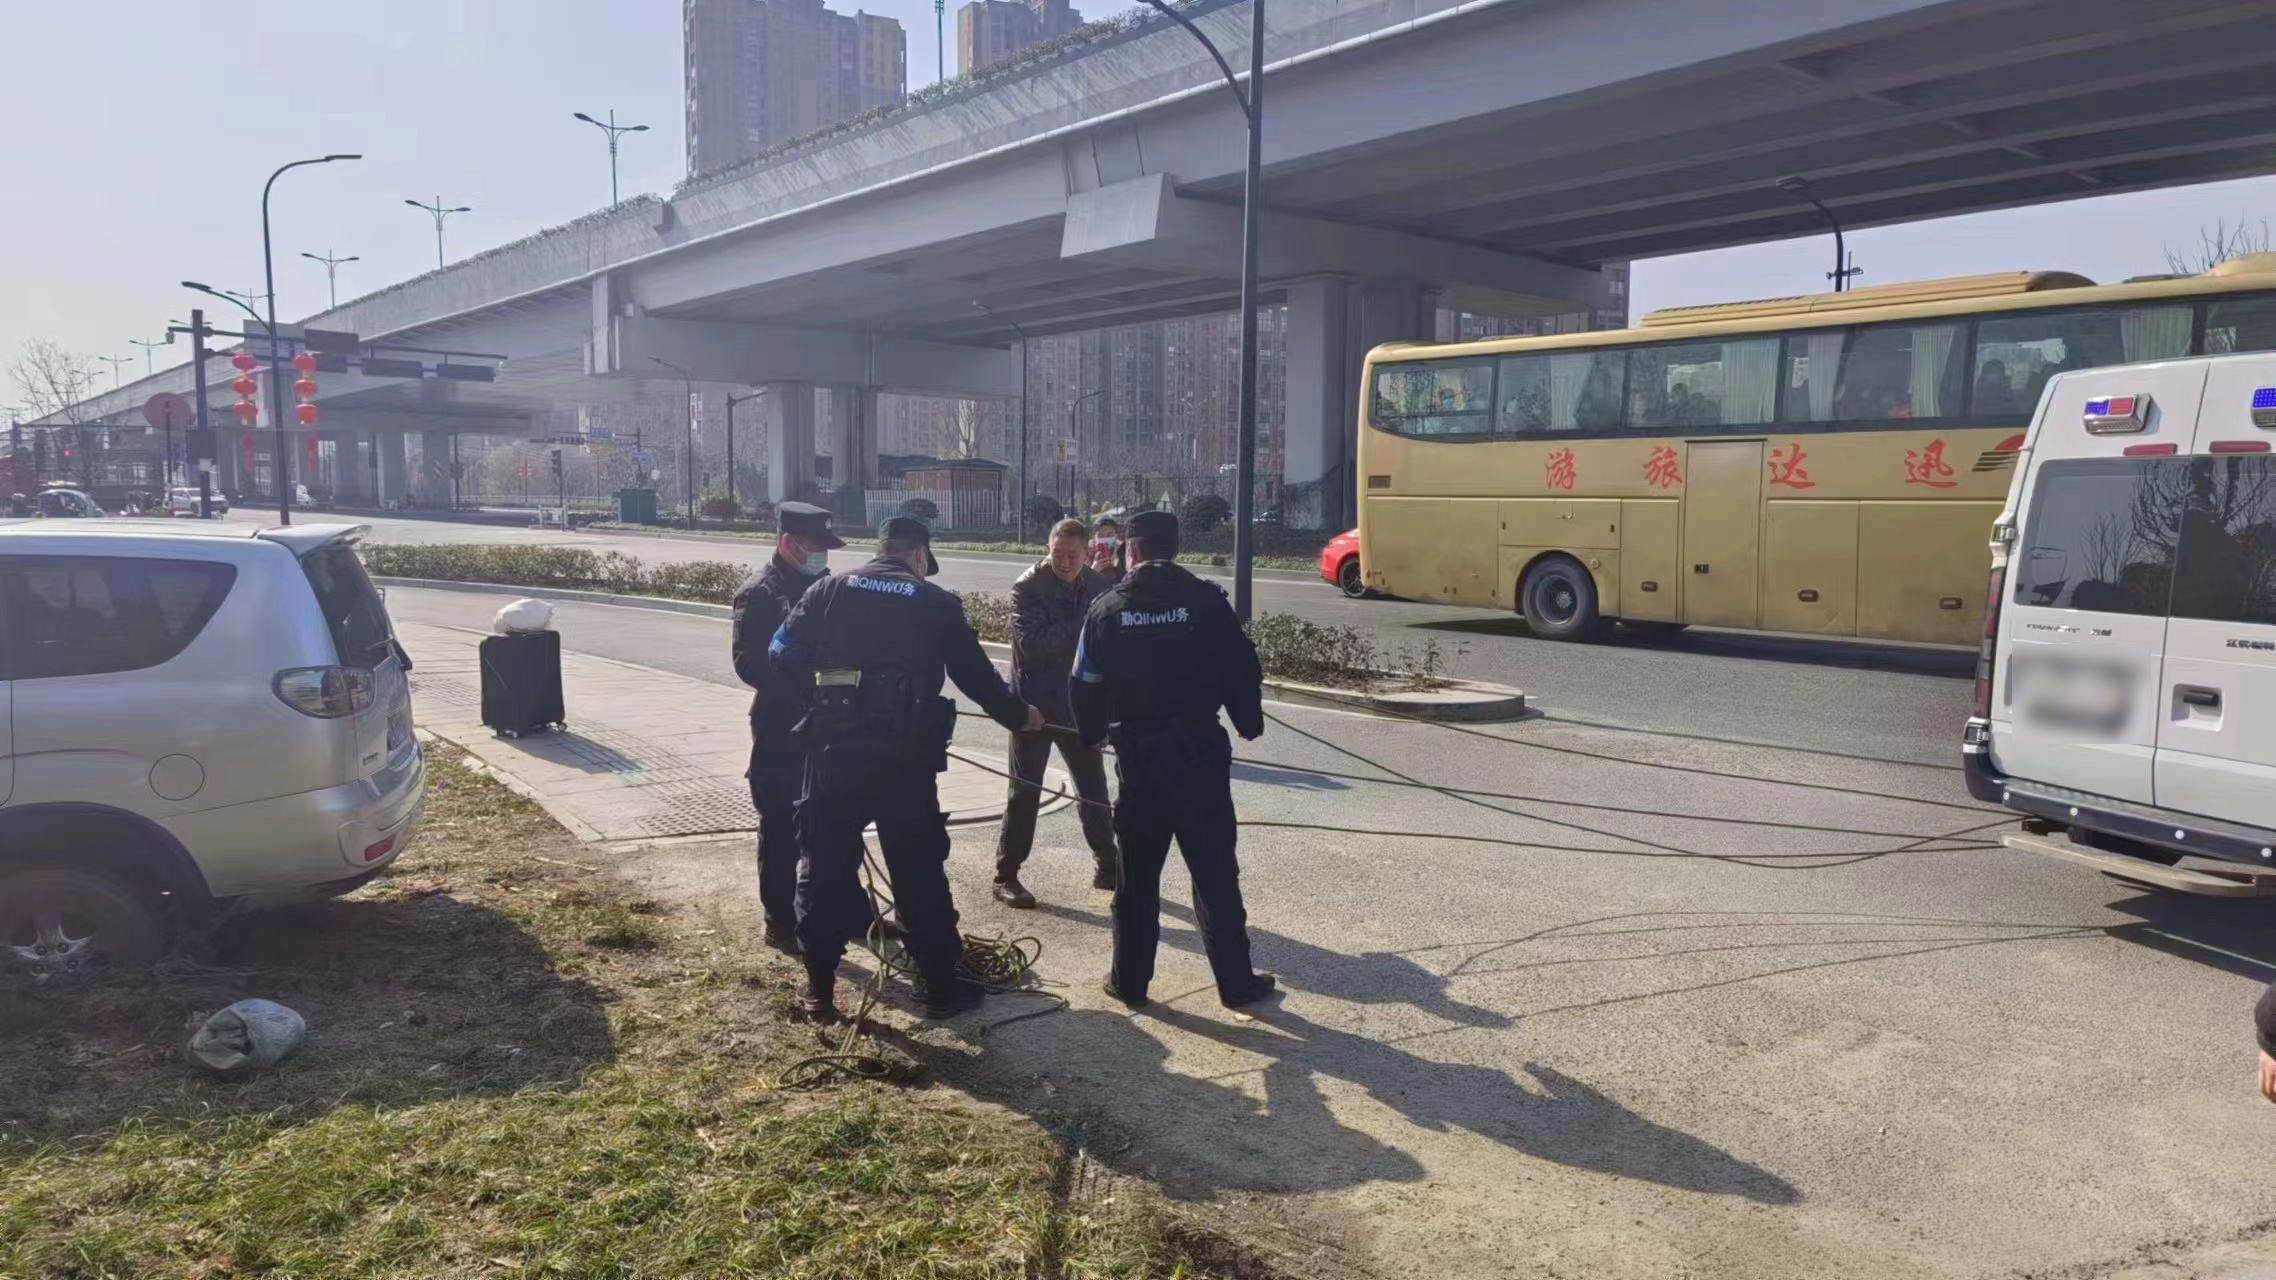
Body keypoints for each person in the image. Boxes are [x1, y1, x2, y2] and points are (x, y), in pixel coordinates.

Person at [770, 516, 1043, 1020]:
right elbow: (977, 677)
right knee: (918, 872)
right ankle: (938, 989)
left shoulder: (829, 590)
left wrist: (828, 692)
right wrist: (1021, 715)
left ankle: (820, 991)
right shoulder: (934, 602)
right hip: (905, 762)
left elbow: (780, 651)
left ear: (882, 550)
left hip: (833, 754)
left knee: (823, 869)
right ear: (919, 556)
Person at [1072, 509, 1276, 1010]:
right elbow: (1242, 671)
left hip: (1140, 762)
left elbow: (1083, 684)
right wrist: (1249, 723)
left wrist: (1093, 734)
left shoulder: (1106, 609)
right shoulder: (1208, 603)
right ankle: (1236, 984)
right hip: (1200, 759)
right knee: (1215, 874)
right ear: (1175, 548)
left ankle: (1129, 983)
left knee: (1137, 879)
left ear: (1132, 550)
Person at [730, 500, 846, 953]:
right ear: (786, 544)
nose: (821, 555)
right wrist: (806, 682)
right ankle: (779, 920)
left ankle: (842, 910)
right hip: (781, 723)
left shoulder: (825, 586)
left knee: (831, 821)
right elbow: (750, 665)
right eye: (813, 547)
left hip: (824, 721)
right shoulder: (760, 592)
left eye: (824, 548)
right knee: (780, 824)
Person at [993, 517, 1119, 908]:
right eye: (1057, 554)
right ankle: (1006, 874)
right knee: (1024, 792)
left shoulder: (1099, 585)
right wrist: (1087, 623)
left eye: (1072, 556)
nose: (1064, 562)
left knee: (1094, 790)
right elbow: (1034, 643)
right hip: (1033, 707)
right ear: (1047, 548)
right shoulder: (1027, 586)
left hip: (1079, 705)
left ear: (1086, 553)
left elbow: (1109, 643)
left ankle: (1108, 865)